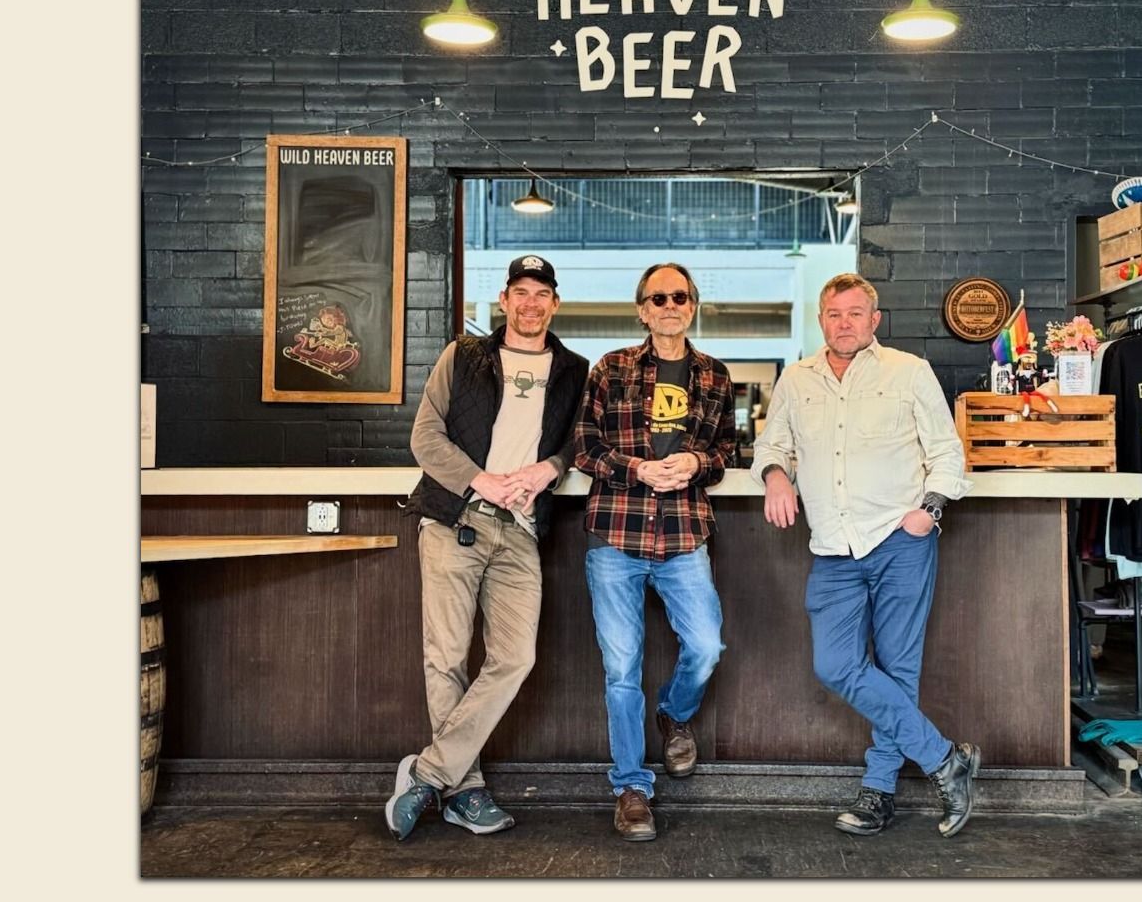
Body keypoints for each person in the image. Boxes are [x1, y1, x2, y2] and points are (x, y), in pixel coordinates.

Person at [750, 273, 980, 839]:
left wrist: (929, 510)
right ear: (821, 319)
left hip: (900, 539)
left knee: (898, 670)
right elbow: (772, 445)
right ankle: (946, 759)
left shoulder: (907, 371)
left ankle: (878, 792)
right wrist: (777, 477)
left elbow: (947, 453)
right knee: (835, 665)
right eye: (833, 313)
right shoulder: (798, 379)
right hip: (833, 547)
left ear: (874, 320)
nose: (843, 322)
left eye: (855, 313)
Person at [386, 255, 589, 840]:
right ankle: (465, 788)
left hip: (521, 531)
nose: (530, 303)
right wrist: (482, 479)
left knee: (515, 658)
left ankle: (428, 773)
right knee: (445, 656)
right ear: (504, 300)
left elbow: (580, 442)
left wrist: (550, 468)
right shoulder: (464, 355)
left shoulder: (575, 369)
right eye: (520, 292)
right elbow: (424, 437)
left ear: (555, 303)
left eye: (541, 294)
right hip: (455, 519)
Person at [573, 262, 736, 842]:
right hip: (616, 535)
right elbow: (584, 449)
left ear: (693, 305)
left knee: (707, 645)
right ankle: (631, 787)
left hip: (684, 533)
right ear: (642, 309)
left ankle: (674, 715)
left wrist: (698, 463)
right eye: (658, 297)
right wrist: (636, 466)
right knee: (621, 670)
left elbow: (726, 451)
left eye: (681, 296)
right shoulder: (611, 368)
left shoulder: (715, 376)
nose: (671, 305)